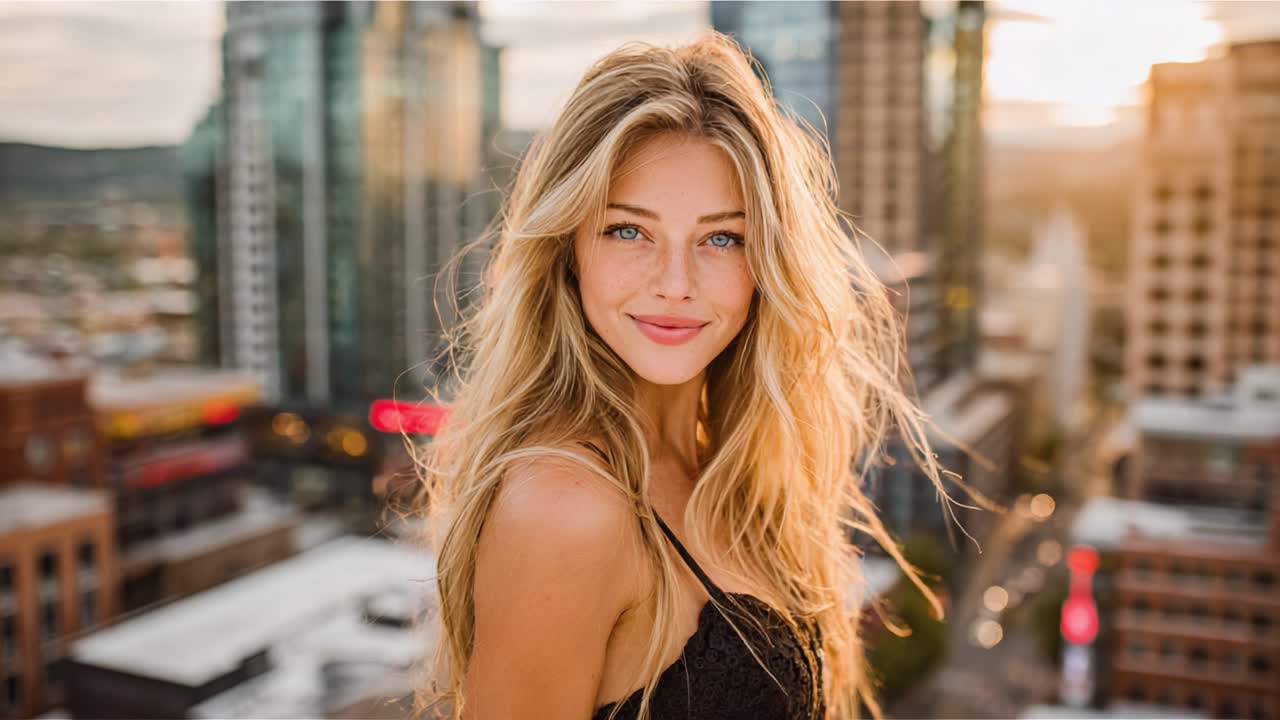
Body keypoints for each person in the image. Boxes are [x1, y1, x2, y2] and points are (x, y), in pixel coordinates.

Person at [409, 31, 957, 720]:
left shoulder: (733, 468)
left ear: (765, 264)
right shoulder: (564, 508)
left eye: (721, 238)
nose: (675, 284)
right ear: (569, 250)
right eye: (628, 231)